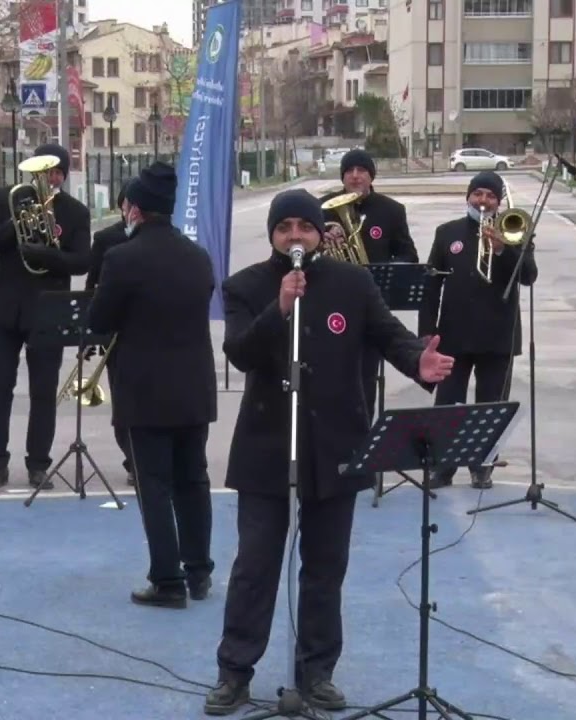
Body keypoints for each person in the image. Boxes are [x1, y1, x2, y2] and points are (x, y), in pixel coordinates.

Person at [205, 189, 455, 716]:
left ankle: (316, 672)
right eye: (285, 227)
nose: (295, 235)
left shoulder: (352, 281)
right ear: (273, 234)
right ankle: (234, 671)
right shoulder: (245, 285)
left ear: (320, 232)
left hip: (337, 444)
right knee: (255, 566)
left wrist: (418, 361)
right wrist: (279, 307)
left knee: (325, 568)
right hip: (267, 446)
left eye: (305, 226)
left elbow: (389, 335)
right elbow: (240, 352)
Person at [87, 161, 217, 608]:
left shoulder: (122, 258)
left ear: (135, 210)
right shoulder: (198, 256)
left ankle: (167, 579)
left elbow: (99, 320)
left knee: (155, 485)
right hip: (194, 387)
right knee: (193, 479)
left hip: (145, 390)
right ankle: (199, 571)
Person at [0, 143, 91, 491]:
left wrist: (47, 255)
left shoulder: (74, 212)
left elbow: (82, 261)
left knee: (43, 390)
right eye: (43, 171)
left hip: (47, 308)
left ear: (63, 176)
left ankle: (39, 464)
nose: (49, 178)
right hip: (3, 307)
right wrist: (15, 225)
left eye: (56, 172)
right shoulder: (8, 199)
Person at [417, 170, 536, 489]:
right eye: (478, 194)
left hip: (499, 335)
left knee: (491, 405)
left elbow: (528, 276)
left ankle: (482, 466)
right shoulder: (447, 233)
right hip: (453, 334)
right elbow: (431, 285)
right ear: (468, 197)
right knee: (448, 404)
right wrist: (426, 329)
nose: (483, 201)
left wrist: (502, 249)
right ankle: (442, 467)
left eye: (490, 196)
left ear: (499, 202)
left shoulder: (516, 232)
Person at [317, 149, 420, 422]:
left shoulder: (391, 210)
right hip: (329, 305)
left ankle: (363, 435)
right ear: (342, 176)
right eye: (349, 171)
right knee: (327, 379)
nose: (355, 176)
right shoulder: (321, 209)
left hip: (370, 309)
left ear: (371, 175)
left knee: (365, 381)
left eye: (361, 170)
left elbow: (409, 255)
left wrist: (386, 269)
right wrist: (322, 238)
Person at [85, 182, 135, 486]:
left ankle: (146, 459)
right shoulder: (105, 239)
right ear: (121, 207)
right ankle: (132, 459)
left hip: (150, 333)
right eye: (129, 205)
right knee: (123, 401)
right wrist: (91, 333)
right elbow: (92, 284)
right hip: (116, 334)